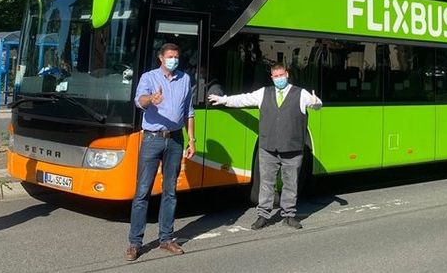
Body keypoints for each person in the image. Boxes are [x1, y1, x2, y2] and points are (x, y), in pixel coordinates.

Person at [208, 62, 322, 229]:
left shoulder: (301, 94)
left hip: (292, 148)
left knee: (291, 183)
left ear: (287, 74)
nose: (279, 78)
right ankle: (263, 216)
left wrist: (316, 102)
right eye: (275, 76)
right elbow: (243, 99)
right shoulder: (264, 93)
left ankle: (289, 216)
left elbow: (317, 105)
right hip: (268, 147)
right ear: (272, 77)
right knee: (266, 183)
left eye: (281, 75)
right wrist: (223, 99)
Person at [125, 43, 196, 261]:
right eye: (170, 56)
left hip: (175, 139)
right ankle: (135, 243)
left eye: (176, 56)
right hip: (152, 139)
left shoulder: (185, 79)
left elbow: (189, 112)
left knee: (170, 191)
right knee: (143, 191)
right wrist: (151, 99)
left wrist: (191, 139)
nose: (174, 60)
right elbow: (140, 101)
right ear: (161, 58)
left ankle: (166, 239)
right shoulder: (149, 77)